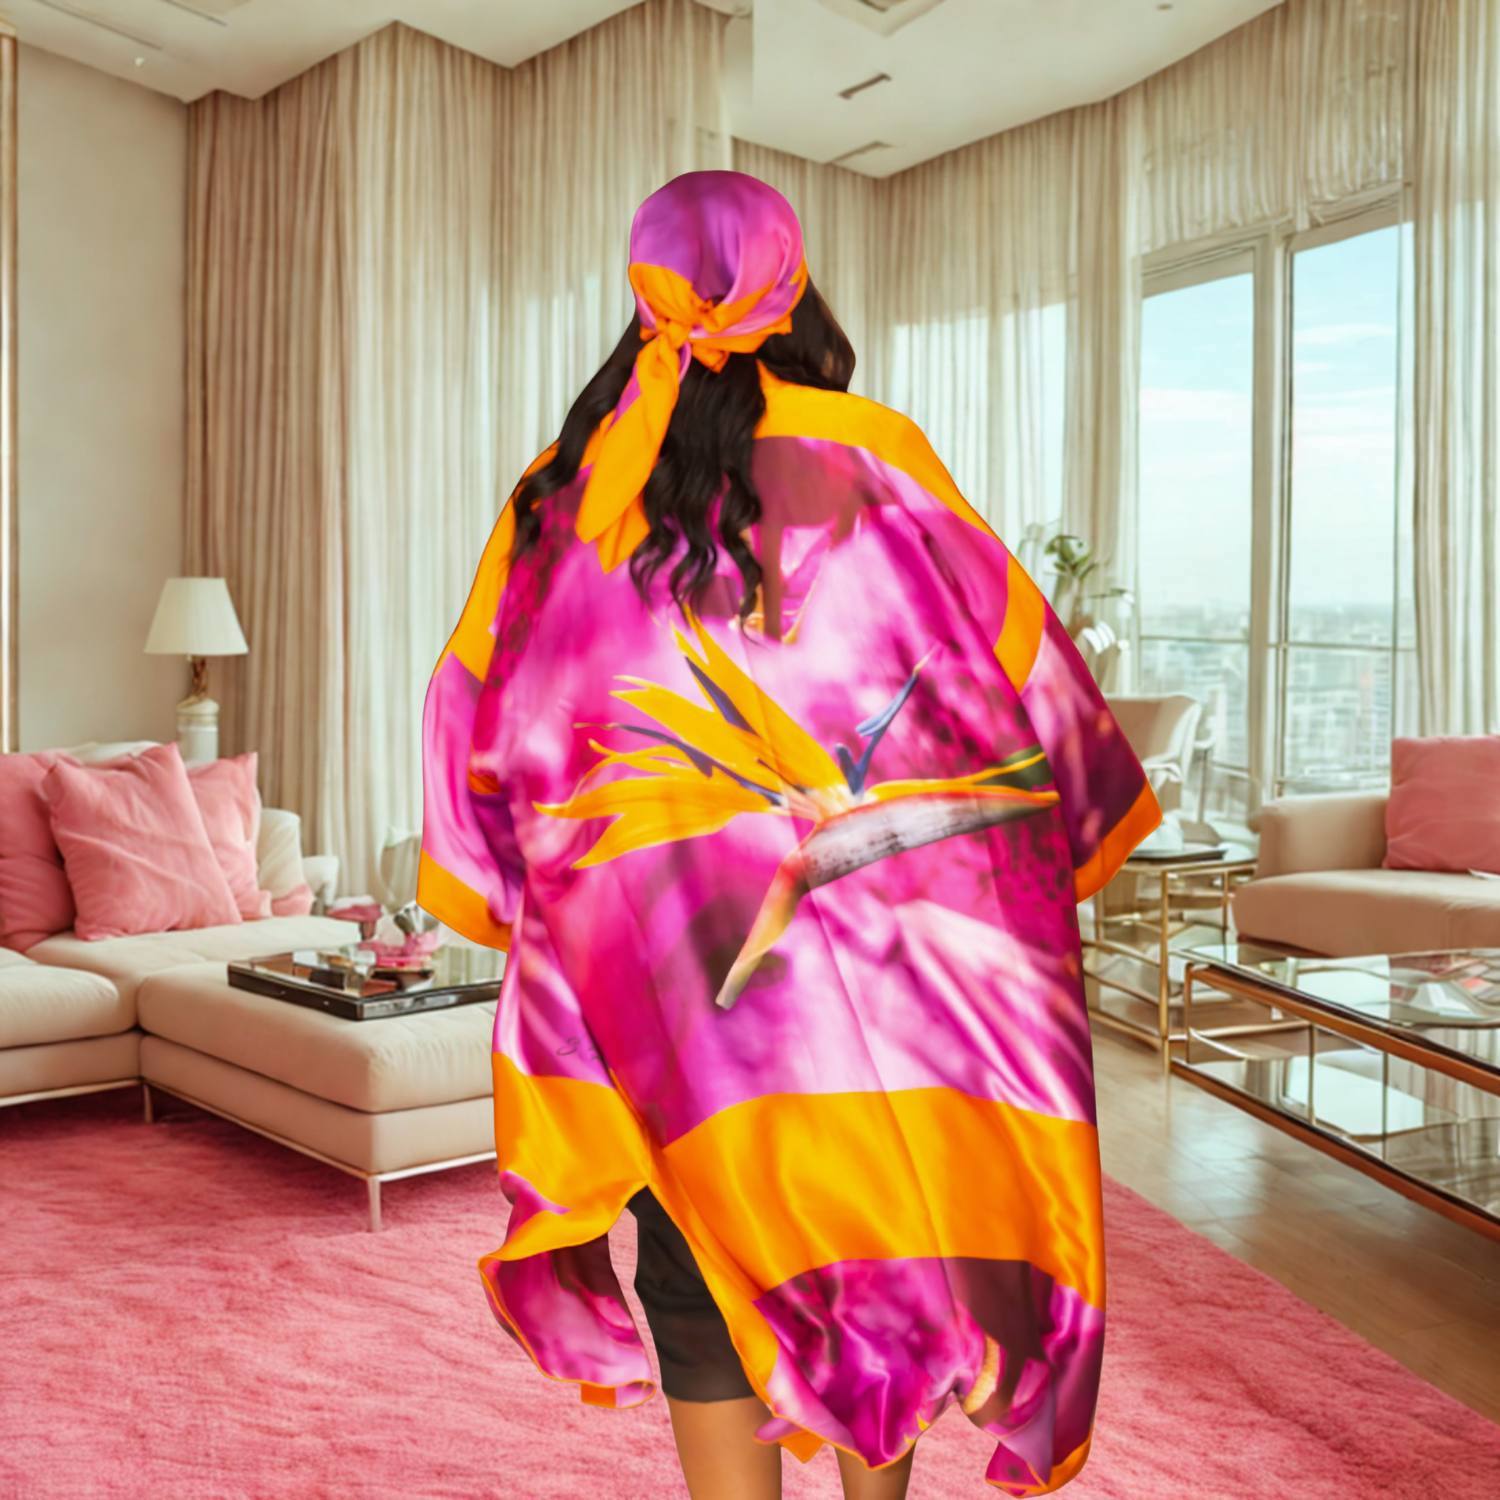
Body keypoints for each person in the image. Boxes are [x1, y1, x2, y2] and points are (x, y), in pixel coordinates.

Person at [417, 170, 1160, 1499]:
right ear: (791, 283)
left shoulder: (568, 489)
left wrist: (524, 884)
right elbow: (1018, 672)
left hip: (665, 989)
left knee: (694, 1266)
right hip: (878, 981)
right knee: (881, 1247)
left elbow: (483, 712)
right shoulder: (874, 453)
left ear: (647, 290)